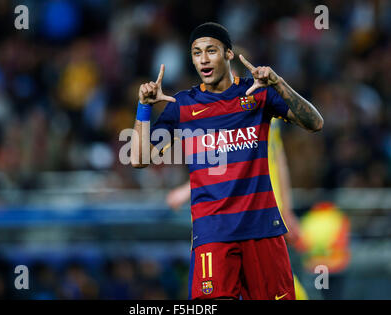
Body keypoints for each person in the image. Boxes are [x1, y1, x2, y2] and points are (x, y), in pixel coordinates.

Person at [130, 22, 324, 300]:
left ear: (229, 54)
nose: (203, 59)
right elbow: (138, 159)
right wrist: (144, 107)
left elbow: (315, 123)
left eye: (211, 50)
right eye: (197, 53)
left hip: (263, 229)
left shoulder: (258, 94)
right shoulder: (182, 105)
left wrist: (279, 84)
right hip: (213, 233)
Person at [166, 118, 309, 300]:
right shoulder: (244, 105)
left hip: (260, 207)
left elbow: (275, 155)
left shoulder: (264, 101)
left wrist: (286, 210)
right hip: (247, 206)